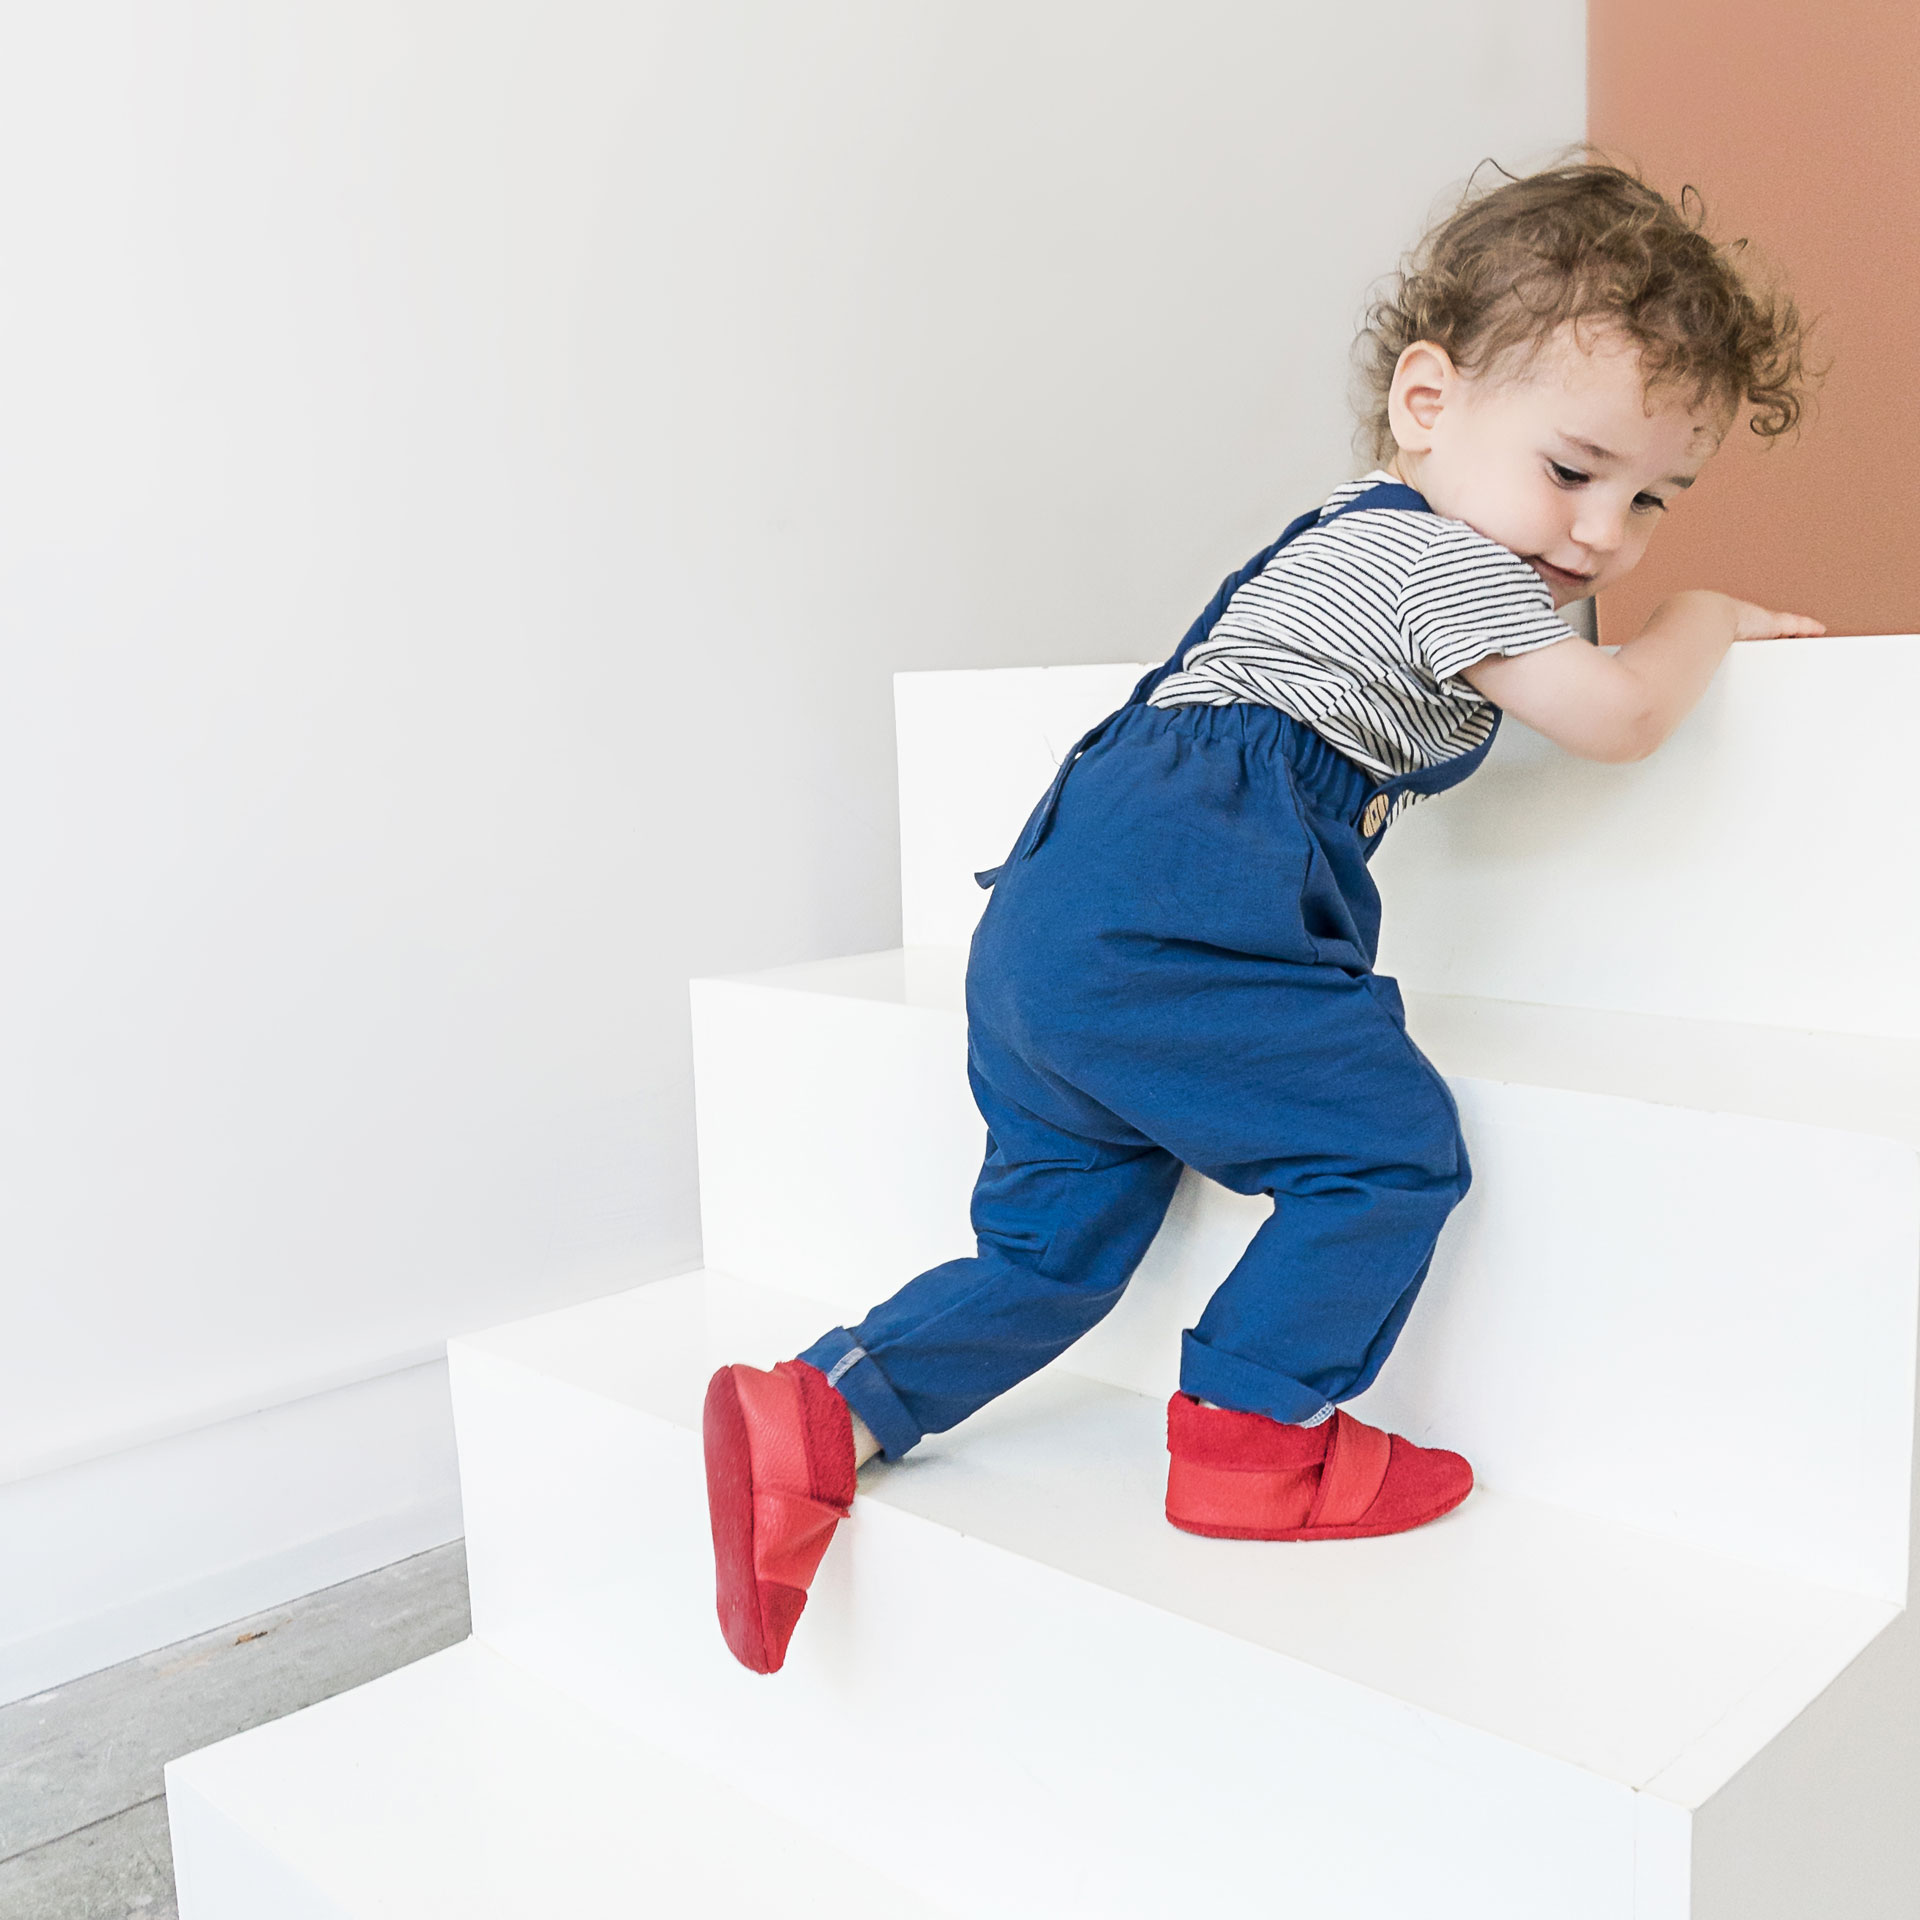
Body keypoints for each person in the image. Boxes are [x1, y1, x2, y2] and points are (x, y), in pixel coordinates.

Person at [701, 160, 1819, 1675]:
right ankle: (1253, 1435)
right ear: (1426, 405)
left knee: (1050, 1253)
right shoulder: (1435, 558)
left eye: (1652, 503)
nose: (1608, 532)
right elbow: (1615, 717)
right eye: (1575, 470)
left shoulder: (1347, 541)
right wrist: (1706, 619)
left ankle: (822, 1410)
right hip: (1178, 914)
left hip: (1053, 932)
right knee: (1382, 1152)